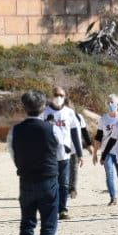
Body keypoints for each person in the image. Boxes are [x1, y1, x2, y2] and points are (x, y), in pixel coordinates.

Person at [7, 90, 60, 235]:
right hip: (48, 180)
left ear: (24, 107)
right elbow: (62, 151)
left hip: (26, 180)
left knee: (27, 224)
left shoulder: (15, 130)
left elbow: (12, 153)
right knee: (49, 225)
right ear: (43, 107)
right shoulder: (51, 128)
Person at [39, 86, 83, 219]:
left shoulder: (69, 113)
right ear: (51, 96)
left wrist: (80, 153)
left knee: (63, 183)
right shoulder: (44, 112)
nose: (58, 97)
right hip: (48, 154)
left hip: (65, 154)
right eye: (56, 94)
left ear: (65, 97)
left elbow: (75, 133)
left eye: (61, 95)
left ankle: (63, 210)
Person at [98, 94, 118, 206]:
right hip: (107, 152)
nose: (110, 104)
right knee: (109, 174)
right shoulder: (103, 119)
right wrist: (94, 154)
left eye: (112, 102)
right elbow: (98, 136)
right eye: (108, 102)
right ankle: (113, 197)